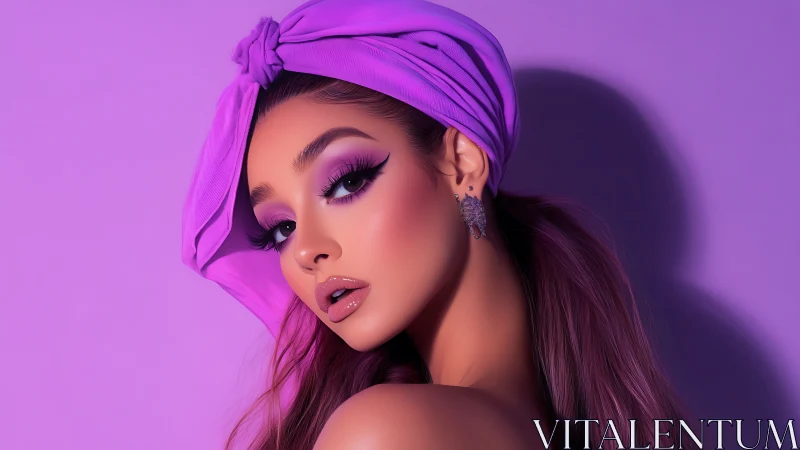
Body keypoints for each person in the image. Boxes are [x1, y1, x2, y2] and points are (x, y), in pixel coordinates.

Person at [181, 0, 694, 448]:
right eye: (280, 228)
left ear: (463, 163)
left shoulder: (387, 431)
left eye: (345, 182)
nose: (304, 251)